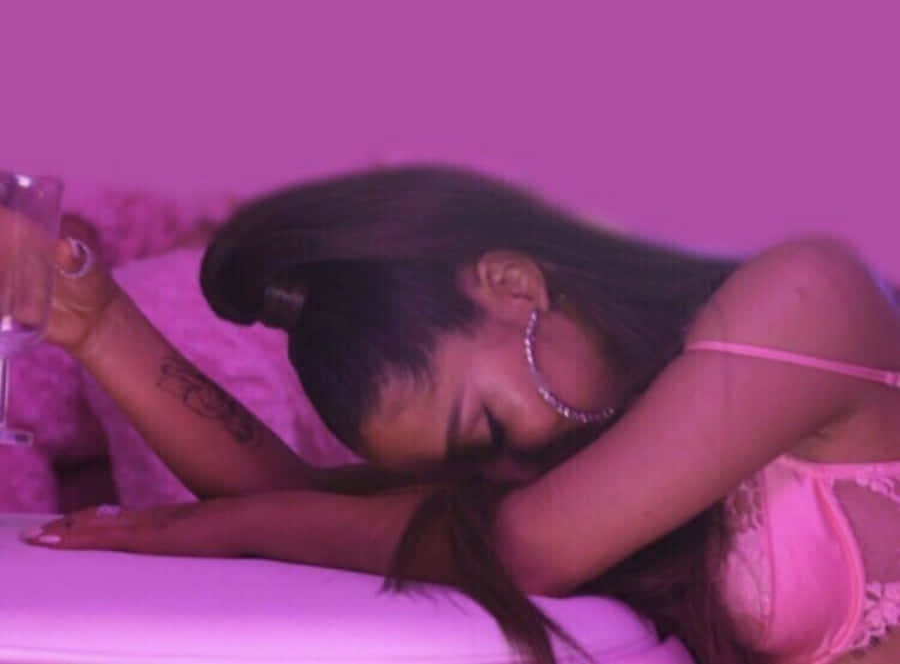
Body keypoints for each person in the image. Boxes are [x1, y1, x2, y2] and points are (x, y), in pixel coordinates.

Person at [15, 164, 900, 664]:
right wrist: (100, 327)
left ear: (513, 283)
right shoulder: (594, 457)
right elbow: (322, 508)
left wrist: (224, 528)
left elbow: (523, 542)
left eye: (491, 433)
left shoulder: (805, 294)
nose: (502, 480)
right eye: (469, 470)